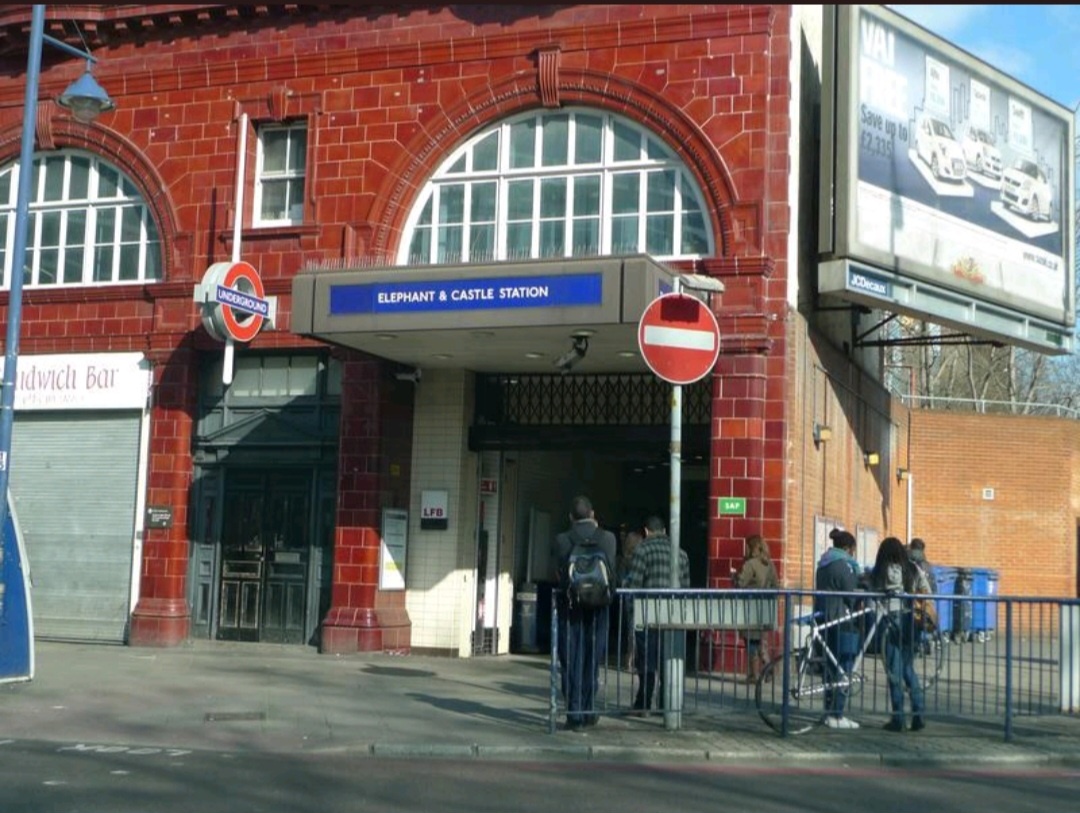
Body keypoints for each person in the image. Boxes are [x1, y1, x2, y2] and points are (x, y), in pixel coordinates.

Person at [552, 495, 617, 731]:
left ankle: (574, 712)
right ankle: (589, 710)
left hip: (571, 607)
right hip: (599, 608)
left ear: (571, 517)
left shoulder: (562, 540)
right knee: (592, 657)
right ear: (593, 514)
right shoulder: (608, 538)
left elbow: (559, 573)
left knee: (571, 659)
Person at [622, 515, 690, 716]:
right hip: (673, 617)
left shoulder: (642, 550)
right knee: (668, 660)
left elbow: (634, 585)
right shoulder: (682, 554)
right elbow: (685, 587)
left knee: (647, 662)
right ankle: (666, 703)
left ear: (646, 531)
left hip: (647, 615)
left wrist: (630, 611)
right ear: (665, 531)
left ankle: (643, 704)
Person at [871, 535, 930, 732]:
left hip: (890, 620)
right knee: (907, 669)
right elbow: (926, 589)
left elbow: (875, 588)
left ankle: (898, 718)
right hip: (910, 621)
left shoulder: (883, 570)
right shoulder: (913, 569)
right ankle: (918, 715)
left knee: (893, 672)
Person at [814, 527, 863, 730]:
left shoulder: (824, 563)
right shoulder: (843, 565)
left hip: (825, 618)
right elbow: (851, 593)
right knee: (844, 667)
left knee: (830, 669)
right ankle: (837, 713)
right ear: (848, 548)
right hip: (842, 620)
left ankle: (828, 712)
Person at [735, 534, 779, 683]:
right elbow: (776, 586)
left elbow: (741, 583)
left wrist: (734, 577)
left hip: (750, 608)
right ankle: (769, 669)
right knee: (761, 641)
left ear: (750, 547)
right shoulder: (769, 564)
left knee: (750, 642)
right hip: (765, 608)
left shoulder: (750, 564)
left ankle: (754, 675)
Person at [616, 529, 644, 671]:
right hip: (637, 597)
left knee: (631, 629)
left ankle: (630, 659)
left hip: (628, 598)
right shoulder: (637, 560)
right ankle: (632, 659)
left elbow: (621, 580)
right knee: (638, 629)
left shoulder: (623, 560)